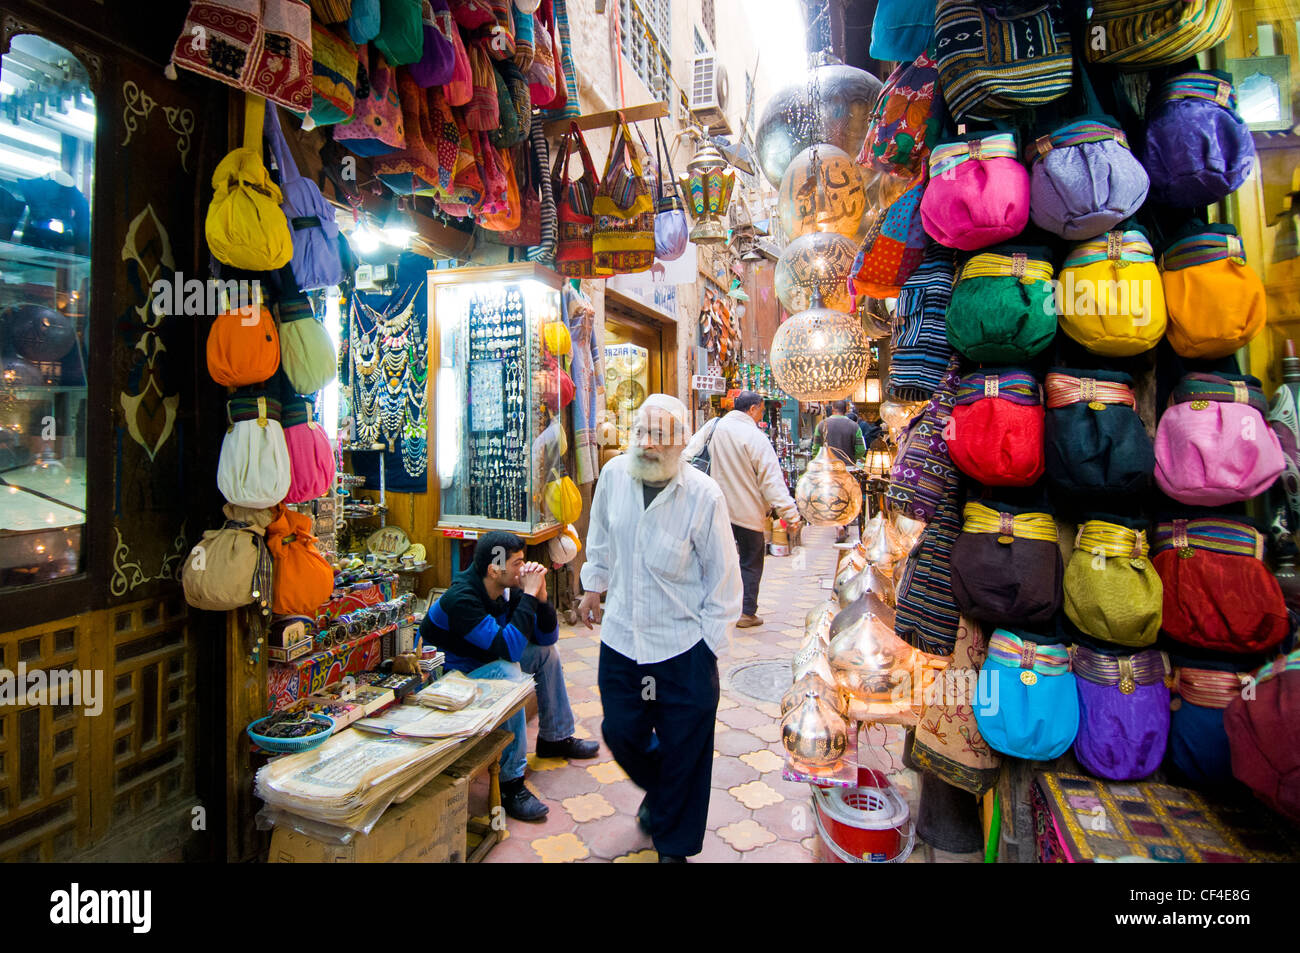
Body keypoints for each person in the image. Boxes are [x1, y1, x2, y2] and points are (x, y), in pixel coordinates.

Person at [577, 394, 742, 862]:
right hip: (624, 641)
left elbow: (723, 576)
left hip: (682, 646)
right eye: (641, 432)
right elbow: (602, 537)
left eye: (660, 435)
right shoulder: (613, 476)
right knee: (622, 731)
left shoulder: (703, 495)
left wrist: (709, 646)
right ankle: (668, 792)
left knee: (688, 746)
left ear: (681, 443)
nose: (648, 443)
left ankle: (674, 845)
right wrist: (594, 585)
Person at [421, 531, 599, 822]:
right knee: (509, 673)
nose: (525, 569)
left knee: (546, 654)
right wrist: (529, 595)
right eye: (518, 563)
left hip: (484, 663)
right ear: (494, 569)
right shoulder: (462, 599)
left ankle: (555, 737)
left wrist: (540, 599)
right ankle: (510, 783)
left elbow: (546, 638)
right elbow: (510, 651)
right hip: (449, 678)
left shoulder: (508, 587)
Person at [684, 391, 800, 628]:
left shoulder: (714, 426)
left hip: (713, 509)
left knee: (715, 560)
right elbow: (771, 481)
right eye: (762, 409)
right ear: (754, 408)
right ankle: (746, 612)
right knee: (750, 561)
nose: (762, 414)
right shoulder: (755, 437)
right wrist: (791, 514)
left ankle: (711, 607)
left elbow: (687, 456)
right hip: (746, 513)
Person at [811, 399, 866, 541]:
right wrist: (853, 457)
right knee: (846, 497)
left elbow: (816, 449)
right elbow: (861, 449)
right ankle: (844, 523)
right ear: (846, 408)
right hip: (848, 468)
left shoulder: (822, 425)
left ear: (832, 408)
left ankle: (838, 525)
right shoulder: (854, 426)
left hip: (828, 468)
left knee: (833, 497)